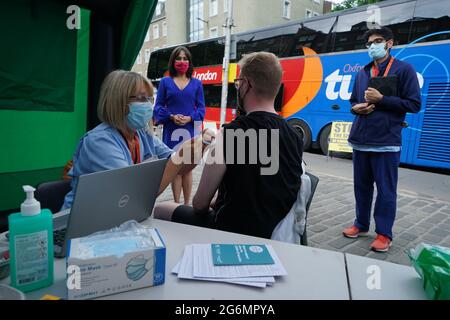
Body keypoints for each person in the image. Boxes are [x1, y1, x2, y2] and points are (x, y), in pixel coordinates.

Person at [154, 52, 303, 239]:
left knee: (161, 209)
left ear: (247, 84)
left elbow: (200, 204)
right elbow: (264, 184)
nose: (238, 86)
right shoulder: (294, 135)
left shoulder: (231, 133)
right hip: (274, 230)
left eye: (238, 82)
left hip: (231, 230)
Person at [62, 70, 213, 210]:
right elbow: (134, 196)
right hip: (82, 226)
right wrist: (179, 157)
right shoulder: (99, 142)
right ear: (119, 101)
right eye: (141, 98)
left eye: (149, 98)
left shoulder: (141, 134)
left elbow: (181, 169)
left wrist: (201, 145)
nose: (148, 105)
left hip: (118, 217)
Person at [343, 27, 421, 252]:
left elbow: (414, 104)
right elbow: (352, 101)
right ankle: (361, 224)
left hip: (386, 142)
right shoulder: (362, 72)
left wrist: (383, 99)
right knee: (361, 187)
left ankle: (384, 234)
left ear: (389, 43)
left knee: (386, 190)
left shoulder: (404, 70)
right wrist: (356, 108)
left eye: (377, 41)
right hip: (360, 140)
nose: (372, 46)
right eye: (369, 43)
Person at [153, 46, 206, 205]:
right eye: (179, 58)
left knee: (188, 169)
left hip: (191, 130)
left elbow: (202, 108)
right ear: (173, 61)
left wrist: (190, 118)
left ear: (189, 62)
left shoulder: (197, 83)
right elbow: (158, 107)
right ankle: (176, 204)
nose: (182, 62)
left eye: (185, 59)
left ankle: (187, 204)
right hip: (171, 129)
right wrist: (171, 116)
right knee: (175, 168)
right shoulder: (165, 82)